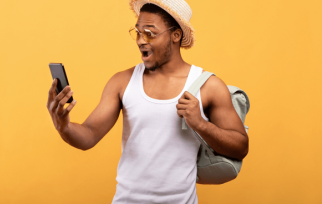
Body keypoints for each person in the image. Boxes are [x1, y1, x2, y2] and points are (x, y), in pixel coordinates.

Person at [46, 0, 249, 203]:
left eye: (150, 33)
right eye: (138, 32)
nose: (141, 40)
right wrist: (63, 127)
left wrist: (200, 124)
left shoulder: (208, 86)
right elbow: (88, 136)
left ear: (175, 35)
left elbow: (240, 147)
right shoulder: (122, 82)